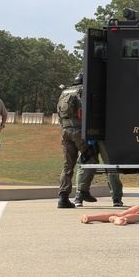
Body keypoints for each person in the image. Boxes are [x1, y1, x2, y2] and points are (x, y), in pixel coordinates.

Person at [56, 73, 89, 209]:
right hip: (78, 130)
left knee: (68, 164)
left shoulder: (64, 92)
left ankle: (63, 197)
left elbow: (59, 112)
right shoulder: (82, 91)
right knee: (90, 159)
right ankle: (83, 191)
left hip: (65, 131)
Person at [74, 139, 124, 207]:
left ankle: (79, 196)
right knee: (111, 166)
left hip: (90, 135)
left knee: (85, 165)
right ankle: (116, 198)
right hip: (105, 135)